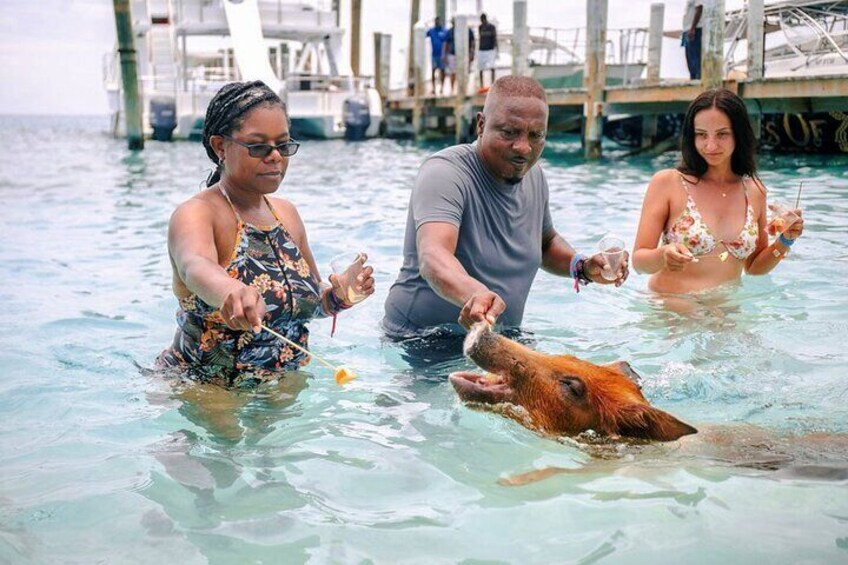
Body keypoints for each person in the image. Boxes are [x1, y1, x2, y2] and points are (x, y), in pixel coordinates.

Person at [157, 80, 375, 387]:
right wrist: (228, 290)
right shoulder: (196, 214)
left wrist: (343, 295)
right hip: (205, 385)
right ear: (220, 146)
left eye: (283, 145)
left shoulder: (286, 214)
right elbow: (196, 266)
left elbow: (309, 306)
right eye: (259, 146)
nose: (275, 157)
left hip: (283, 381)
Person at [382, 76, 629, 340]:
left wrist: (583, 266)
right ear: (481, 124)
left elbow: (544, 243)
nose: (523, 147)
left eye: (536, 135)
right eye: (509, 132)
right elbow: (433, 256)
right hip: (422, 338)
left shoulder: (534, 176)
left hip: (500, 337)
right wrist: (474, 294)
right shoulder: (444, 172)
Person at [632, 88, 804, 295]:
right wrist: (663, 255)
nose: (710, 145)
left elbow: (754, 268)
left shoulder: (755, 191)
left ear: (738, 135)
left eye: (722, 134)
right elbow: (638, 262)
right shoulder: (668, 183)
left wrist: (785, 240)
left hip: (726, 311)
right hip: (671, 306)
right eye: (701, 135)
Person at [442, 18, 475, 95]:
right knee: (452, 72)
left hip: (464, 55)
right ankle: (452, 89)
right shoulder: (449, 31)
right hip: (452, 54)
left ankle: (464, 89)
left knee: (465, 72)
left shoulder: (467, 30)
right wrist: (444, 54)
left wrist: (472, 53)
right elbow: (446, 43)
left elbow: (472, 42)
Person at [682, 0, 703, 80]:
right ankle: (693, 77)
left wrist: (693, 28)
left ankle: (697, 78)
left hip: (695, 29)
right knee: (689, 58)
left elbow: (699, 8)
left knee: (695, 58)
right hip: (687, 29)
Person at [426, 17, 447, 96]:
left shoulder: (444, 31)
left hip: (442, 54)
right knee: (433, 71)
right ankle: (433, 89)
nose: (437, 23)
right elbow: (425, 34)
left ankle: (442, 88)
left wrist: (444, 54)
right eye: (436, 21)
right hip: (434, 55)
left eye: (438, 21)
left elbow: (446, 42)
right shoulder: (431, 31)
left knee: (442, 72)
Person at [477, 13, 498, 90]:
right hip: (481, 49)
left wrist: (496, 50)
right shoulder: (480, 27)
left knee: (492, 67)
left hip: (490, 49)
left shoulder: (492, 27)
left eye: (483, 20)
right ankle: (481, 85)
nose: (482, 22)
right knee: (481, 68)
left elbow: (495, 38)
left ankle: (493, 85)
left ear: (485, 19)